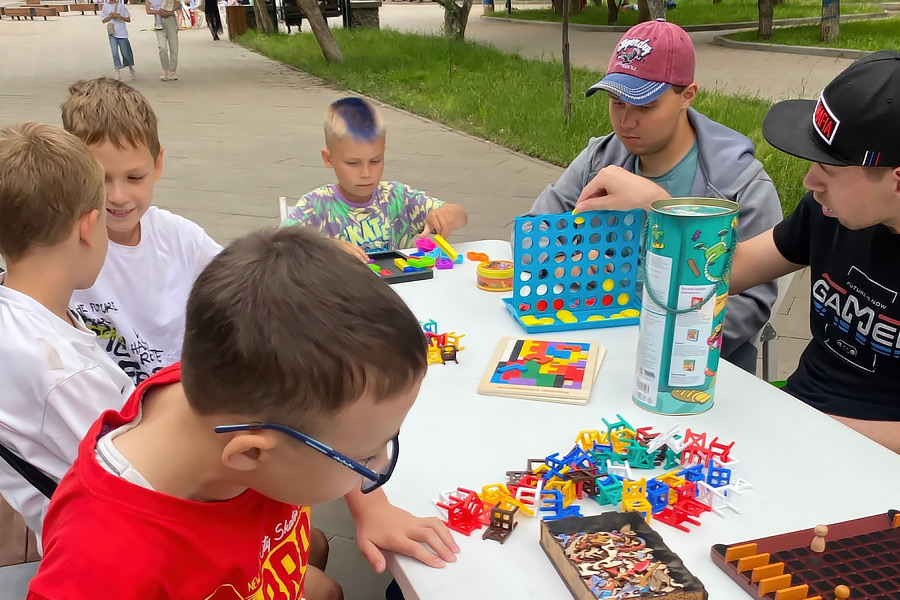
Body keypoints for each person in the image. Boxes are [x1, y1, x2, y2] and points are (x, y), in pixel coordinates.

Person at [27, 227, 459, 599]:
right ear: (252, 454)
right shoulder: (105, 564)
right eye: (366, 459)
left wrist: (372, 508)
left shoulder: (237, 388)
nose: (376, 470)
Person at [526, 19, 782, 373]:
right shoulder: (600, 158)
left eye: (645, 107)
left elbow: (749, 307)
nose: (626, 122)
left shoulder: (741, 184)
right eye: (616, 102)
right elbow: (537, 235)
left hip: (688, 370)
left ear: (687, 95)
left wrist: (660, 210)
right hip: (591, 341)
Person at [726, 50, 900, 452]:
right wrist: (668, 210)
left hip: (872, 466)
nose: (810, 180)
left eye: (831, 170)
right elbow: (729, 271)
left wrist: (809, 426)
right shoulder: (830, 211)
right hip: (797, 421)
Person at [0, 123, 134, 547]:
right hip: (114, 551)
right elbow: (138, 476)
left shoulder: (23, 313)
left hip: (78, 532)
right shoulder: (62, 372)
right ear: (88, 226)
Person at [61, 78, 222, 386]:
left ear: (158, 163)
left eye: (134, 177)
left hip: (183, 397)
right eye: (101, 179)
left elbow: (245, 288)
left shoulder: (181, 238)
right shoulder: (60, 250)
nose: (118, 196)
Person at [283, 97, 468, 262]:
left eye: (375, 161)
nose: (366, 173)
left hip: (394, 295)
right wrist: (325, 248)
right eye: (353, 163)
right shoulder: (316, 205)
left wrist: (447, 215)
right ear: (329, 159)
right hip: (338, 298)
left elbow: (461, 215)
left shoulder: (397, 197)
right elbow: (278, 245)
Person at [101, 0, 135, 81]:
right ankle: (117, 72)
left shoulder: (121, 6)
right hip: (112, 32)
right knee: (115, 52)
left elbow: (128, 19)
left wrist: (119, 16)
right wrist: (111, 16)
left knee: (125, 53)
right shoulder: (105, 6)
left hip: (122, 33)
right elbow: (103, 20)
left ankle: (131, 68)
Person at [146, 0, 180, 80]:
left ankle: (172, 71)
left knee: (174, 47)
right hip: (159, 22)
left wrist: (170, 11)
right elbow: (148, 11)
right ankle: (165, 70)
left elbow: (178, 4)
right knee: (162, 47)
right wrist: (158, 12)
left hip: (170, 20)